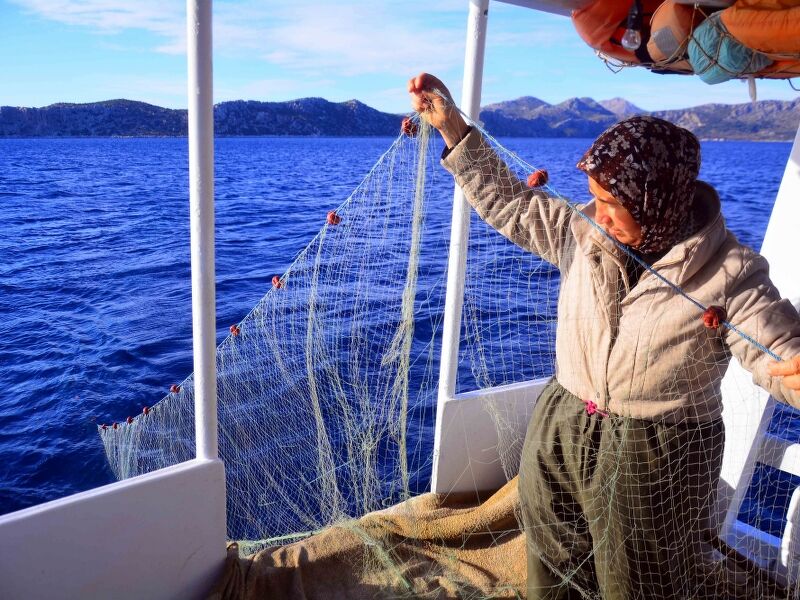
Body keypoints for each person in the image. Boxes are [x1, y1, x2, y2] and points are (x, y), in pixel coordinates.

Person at [408, 72, 800, 599]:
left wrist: (791, 371)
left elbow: (771, 342)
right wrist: (454, 130)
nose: (600, 214)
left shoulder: (732, 271)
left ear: (659, 200)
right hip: (563, 424)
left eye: (614, 203)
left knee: (637, 584)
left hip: (658, 453)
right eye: (594, 197)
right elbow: (512, 204)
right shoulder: (582, 229)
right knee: (552, 561)